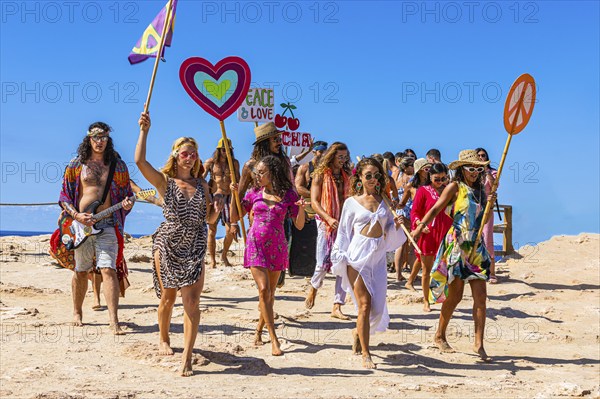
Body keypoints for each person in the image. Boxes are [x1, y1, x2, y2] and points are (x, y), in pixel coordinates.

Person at [135, 112, 222, 376]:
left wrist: (216, 209)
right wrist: (144, 130)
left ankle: (186, 356)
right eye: (185, 153)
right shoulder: (165, 182)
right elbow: (139, 161)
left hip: (195, 243)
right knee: (168, 298)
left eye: (193, 153)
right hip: (169, 242)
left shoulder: (203, 185)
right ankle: (163, 337)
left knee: (192, 302)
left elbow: (207, 219)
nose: (190, 156)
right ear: (175, 155)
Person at [411, 149, 495, 361]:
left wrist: (490, 204)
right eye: (471, 168)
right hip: (458, 244)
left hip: (476, 247)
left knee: (481, 297)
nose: (475, 172)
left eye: (479, 169)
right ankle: (439, 334)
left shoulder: (482, 192)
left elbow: (483, 221)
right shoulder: (455, 187)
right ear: (461, 169)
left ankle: (479, 344)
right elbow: (436, 209)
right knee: (455, 296)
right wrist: (420, 226)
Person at [59, 122, 134, 334]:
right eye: (96, 137)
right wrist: (76, 215)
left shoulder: (118, 166)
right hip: (81, 227)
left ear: (108, 139)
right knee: (81, 271)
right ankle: (77, 312)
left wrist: (128, 203)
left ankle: (113, 320)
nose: (100, 141)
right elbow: (64, 196)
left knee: (108, 269)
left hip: (108, 223)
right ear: (89, 139)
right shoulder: (76, 165)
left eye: (103, 137)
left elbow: (127, 194)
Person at [331, 158, 405, 369]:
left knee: (378, 309)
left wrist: (399, 224)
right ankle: (366, 352)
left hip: (378, 257)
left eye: (376, 175)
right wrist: (339, 256)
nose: (373, 179)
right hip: (356, 257)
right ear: (360, 178)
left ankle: (358, 331)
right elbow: (344, 232)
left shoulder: (386, 201)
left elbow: (390, 232)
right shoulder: (351, 203)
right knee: (364, 305)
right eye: (368, 175)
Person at [230, 155, 307, 356]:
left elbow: (299, 225)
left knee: (270, 294)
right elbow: (235, 216)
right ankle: (274, 339)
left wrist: (300, 208)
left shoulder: (289, 194)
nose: (257, 176)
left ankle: (258, 331)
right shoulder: (254, 192)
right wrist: (234, 195)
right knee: (263, 290)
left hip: (278, 247)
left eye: (261, 172)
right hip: (256, 244)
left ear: (272, 172)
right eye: (256, 173)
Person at [304, 142, 352, 320]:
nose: (343, 160)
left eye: (345, 157)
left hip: (344, 223)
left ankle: (337, 305)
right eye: (340, 156)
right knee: (323, 261)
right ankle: (314, 288)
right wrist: (329, 218)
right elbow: (315, 202)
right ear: (331, 156)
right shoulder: (320, 175)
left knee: (343, 264)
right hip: (325, 222)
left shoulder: (347, 176)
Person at [408, 163, 453, 311]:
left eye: (443, 179)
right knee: (426, 269)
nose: (440, 182)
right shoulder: (423, 191)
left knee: (446, 269)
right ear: (430, 177)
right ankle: (426, 300)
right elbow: (414, 212)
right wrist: (420, 225)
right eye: (437, 179)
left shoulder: (451, 191)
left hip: (446, 234)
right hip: (429, 234)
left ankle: (442, 297)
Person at [203, 138, 241, 268]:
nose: (226, 152)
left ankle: (224, 255)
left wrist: (234, 185)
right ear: (219, 150)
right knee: (212, 230)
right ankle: (212, 260)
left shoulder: (234, 163)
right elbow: (200, 179)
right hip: (215, 197)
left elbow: (239, 180)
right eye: (224, 150)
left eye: (229, 150)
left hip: (229, 198)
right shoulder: (211, 162)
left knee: (230, 230)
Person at [238, 122, 292, 199]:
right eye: (275, 139)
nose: (279, 142)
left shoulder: (283, 162)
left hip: (281, 208)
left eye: (279, 139)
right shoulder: (250, 166)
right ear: (265, 144)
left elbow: (289, 187)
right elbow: (240, 196)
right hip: (258, 209)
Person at [399, 158, 431, 289]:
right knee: (418, 251)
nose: (429, 171)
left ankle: (413, 279)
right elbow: (402, 203)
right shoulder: (411, 187)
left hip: (430, 220)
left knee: (425, 252)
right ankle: (412, 280)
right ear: (419, 171)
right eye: (426, 169)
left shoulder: (433, 185)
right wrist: (395, 205)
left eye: (430, 168)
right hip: (417, 221)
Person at [476, 147, 499, 283]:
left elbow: (494, 185)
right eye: (478, 155)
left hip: (487, 209)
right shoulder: (471, 172)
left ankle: (492, 272)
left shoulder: (492, 172)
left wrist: (486, 171)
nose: (480, 157)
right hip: (473, 208)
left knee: (487, 239)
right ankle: (476, 269)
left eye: (483, 155)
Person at [393, 157, 415, 281]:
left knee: (400, 244)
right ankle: (411, 273)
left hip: (399, 210)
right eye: (411, 165)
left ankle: (398, 274)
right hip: (408, 210)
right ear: (406, 167)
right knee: (409, 243)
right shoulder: (410, 179)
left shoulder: (398, 178)